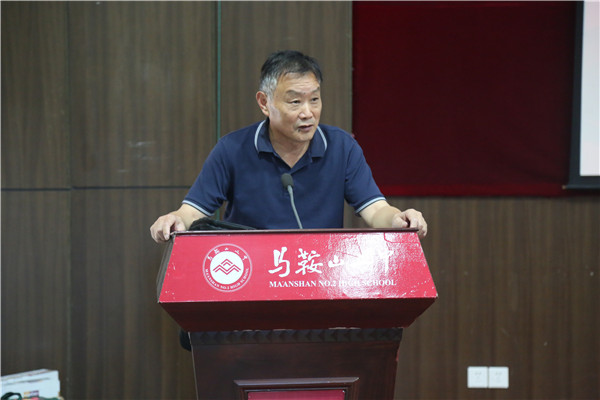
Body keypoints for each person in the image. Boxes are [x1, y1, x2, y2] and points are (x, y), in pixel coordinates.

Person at [150, 50, 427, 243]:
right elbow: (193, 211)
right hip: (250, 275)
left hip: (318, 271)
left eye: (314, 100)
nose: (308, 113)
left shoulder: (342, 147)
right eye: (295, 102)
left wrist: (398, 219)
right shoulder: (232, 149)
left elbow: (376, 210)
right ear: (264, 103)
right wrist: (174, 219)